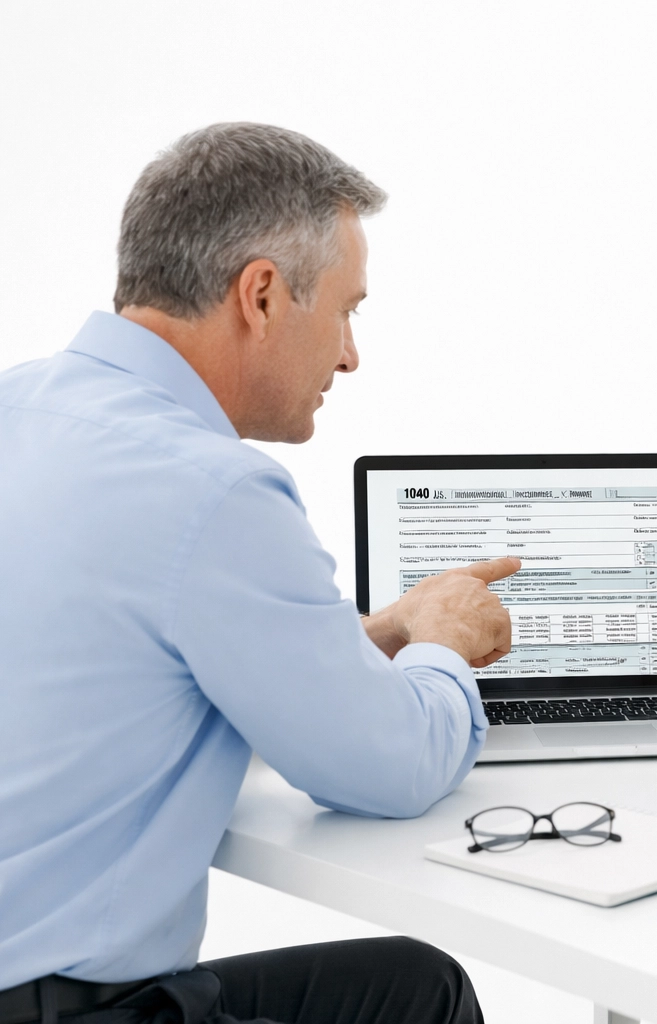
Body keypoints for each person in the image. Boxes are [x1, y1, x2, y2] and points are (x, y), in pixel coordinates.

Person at [0, 124, 516, 1022]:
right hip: (73, 1010)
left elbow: (127, 658)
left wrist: (373, 635)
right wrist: (440, 647)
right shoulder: (210, 488)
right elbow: (388, 769)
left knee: (414, 984)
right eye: (347, 310)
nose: (350, 354)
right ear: (264, 295)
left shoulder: (22, 407)